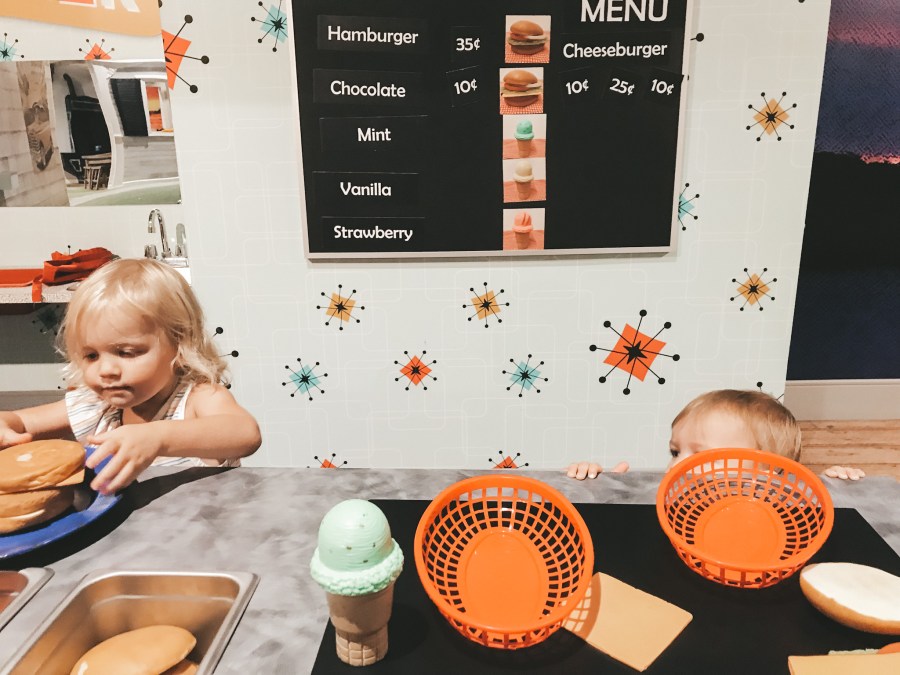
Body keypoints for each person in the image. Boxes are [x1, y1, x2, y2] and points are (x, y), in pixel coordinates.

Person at [0, 258, 261, 494]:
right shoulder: (98, 405)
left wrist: (157, 438)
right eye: (91, 356)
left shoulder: (197, 399)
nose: (106, 370)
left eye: (126, 352)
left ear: (180, 344)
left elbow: (245, 434)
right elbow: (20, 421)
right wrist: (5, 424)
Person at [566, 389, 865, 481]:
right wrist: (607, 488)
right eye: (675, 451)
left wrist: (837, 485)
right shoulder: (670, 499)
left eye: (701, 454)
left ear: (770, 473)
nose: (676, 465)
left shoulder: (783, 513)